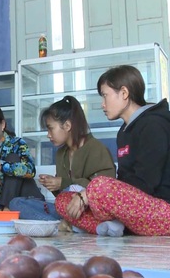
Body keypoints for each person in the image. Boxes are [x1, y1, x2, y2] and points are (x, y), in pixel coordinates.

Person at [55, 65, 170, 236]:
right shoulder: (124, 132)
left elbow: (146, 182)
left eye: (105, 96)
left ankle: (113, 223)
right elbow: (124, 181)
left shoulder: (154, 125)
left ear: (124, 93)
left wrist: (91, 194)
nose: (103, 104)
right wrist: (89, 196)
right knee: (63, 200)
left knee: (99, 186)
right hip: (137, 210)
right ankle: (107, 228)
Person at [38, 96, 116, 229]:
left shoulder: (96, 149)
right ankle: (72, 224)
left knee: (61, 203)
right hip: (68, 208)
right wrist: (53, 185)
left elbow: (105, 189)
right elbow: (65, 193)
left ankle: (84, 225)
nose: (48, 135)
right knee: (19, 203)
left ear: (67, 125)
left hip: (95, 211)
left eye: (50, 128)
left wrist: (62, 182)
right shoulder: (61, 154)